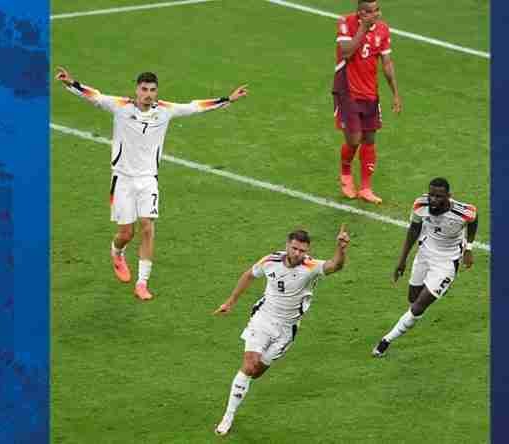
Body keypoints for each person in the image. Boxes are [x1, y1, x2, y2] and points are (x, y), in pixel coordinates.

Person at [54, 67, 248, 300]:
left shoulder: (165, 111)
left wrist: (228, 99)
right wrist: (70, 83)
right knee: (126, 233)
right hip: (122, 179)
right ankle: (117, 252)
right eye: (144, 89)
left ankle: (142, 283)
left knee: (147, 227)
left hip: (148, 179)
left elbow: (195, 106)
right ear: (137, 90)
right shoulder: (120, 106)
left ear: (156, 92)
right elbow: (94, 96)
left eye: (152, 90)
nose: (148, 94)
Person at [211, 225, 350, 435]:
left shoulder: (310, 267)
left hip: (286, 330)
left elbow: (335, 265)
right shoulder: (270, 261)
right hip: (263, 319)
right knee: (249, 366)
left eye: (302, 250)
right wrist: (230, 302)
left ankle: (240, 391)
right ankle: (227, 417)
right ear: (287, 245)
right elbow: (249, 275)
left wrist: (341, 249)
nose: (298, 253)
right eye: (295, 248)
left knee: (256, 372)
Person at [372, 178, 477, 357]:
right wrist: (402, 260)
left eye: (439, 196)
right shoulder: (420, 204)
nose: (433, 200)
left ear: (448, 196)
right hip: (424, 254)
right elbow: (413, 229)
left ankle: (385, 341)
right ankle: (423, 303)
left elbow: (474, 219)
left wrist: (469, 248)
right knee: (413, 299)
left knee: (419, 306)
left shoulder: (462, 212)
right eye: (431, 195)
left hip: (446, 262)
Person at [333, 0, 401, 204]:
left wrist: (395, 93)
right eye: (371, 11)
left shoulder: (383, 29)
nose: (377, 14)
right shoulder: (346, 22)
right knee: (354, 140)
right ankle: (346, 173)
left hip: (370, 92)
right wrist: (363, 28)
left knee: (369, 139)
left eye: (377, 10)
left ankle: (366, 188)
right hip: (347, 90)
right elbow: (346, 52)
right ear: (361, 12)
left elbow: (387, 63)